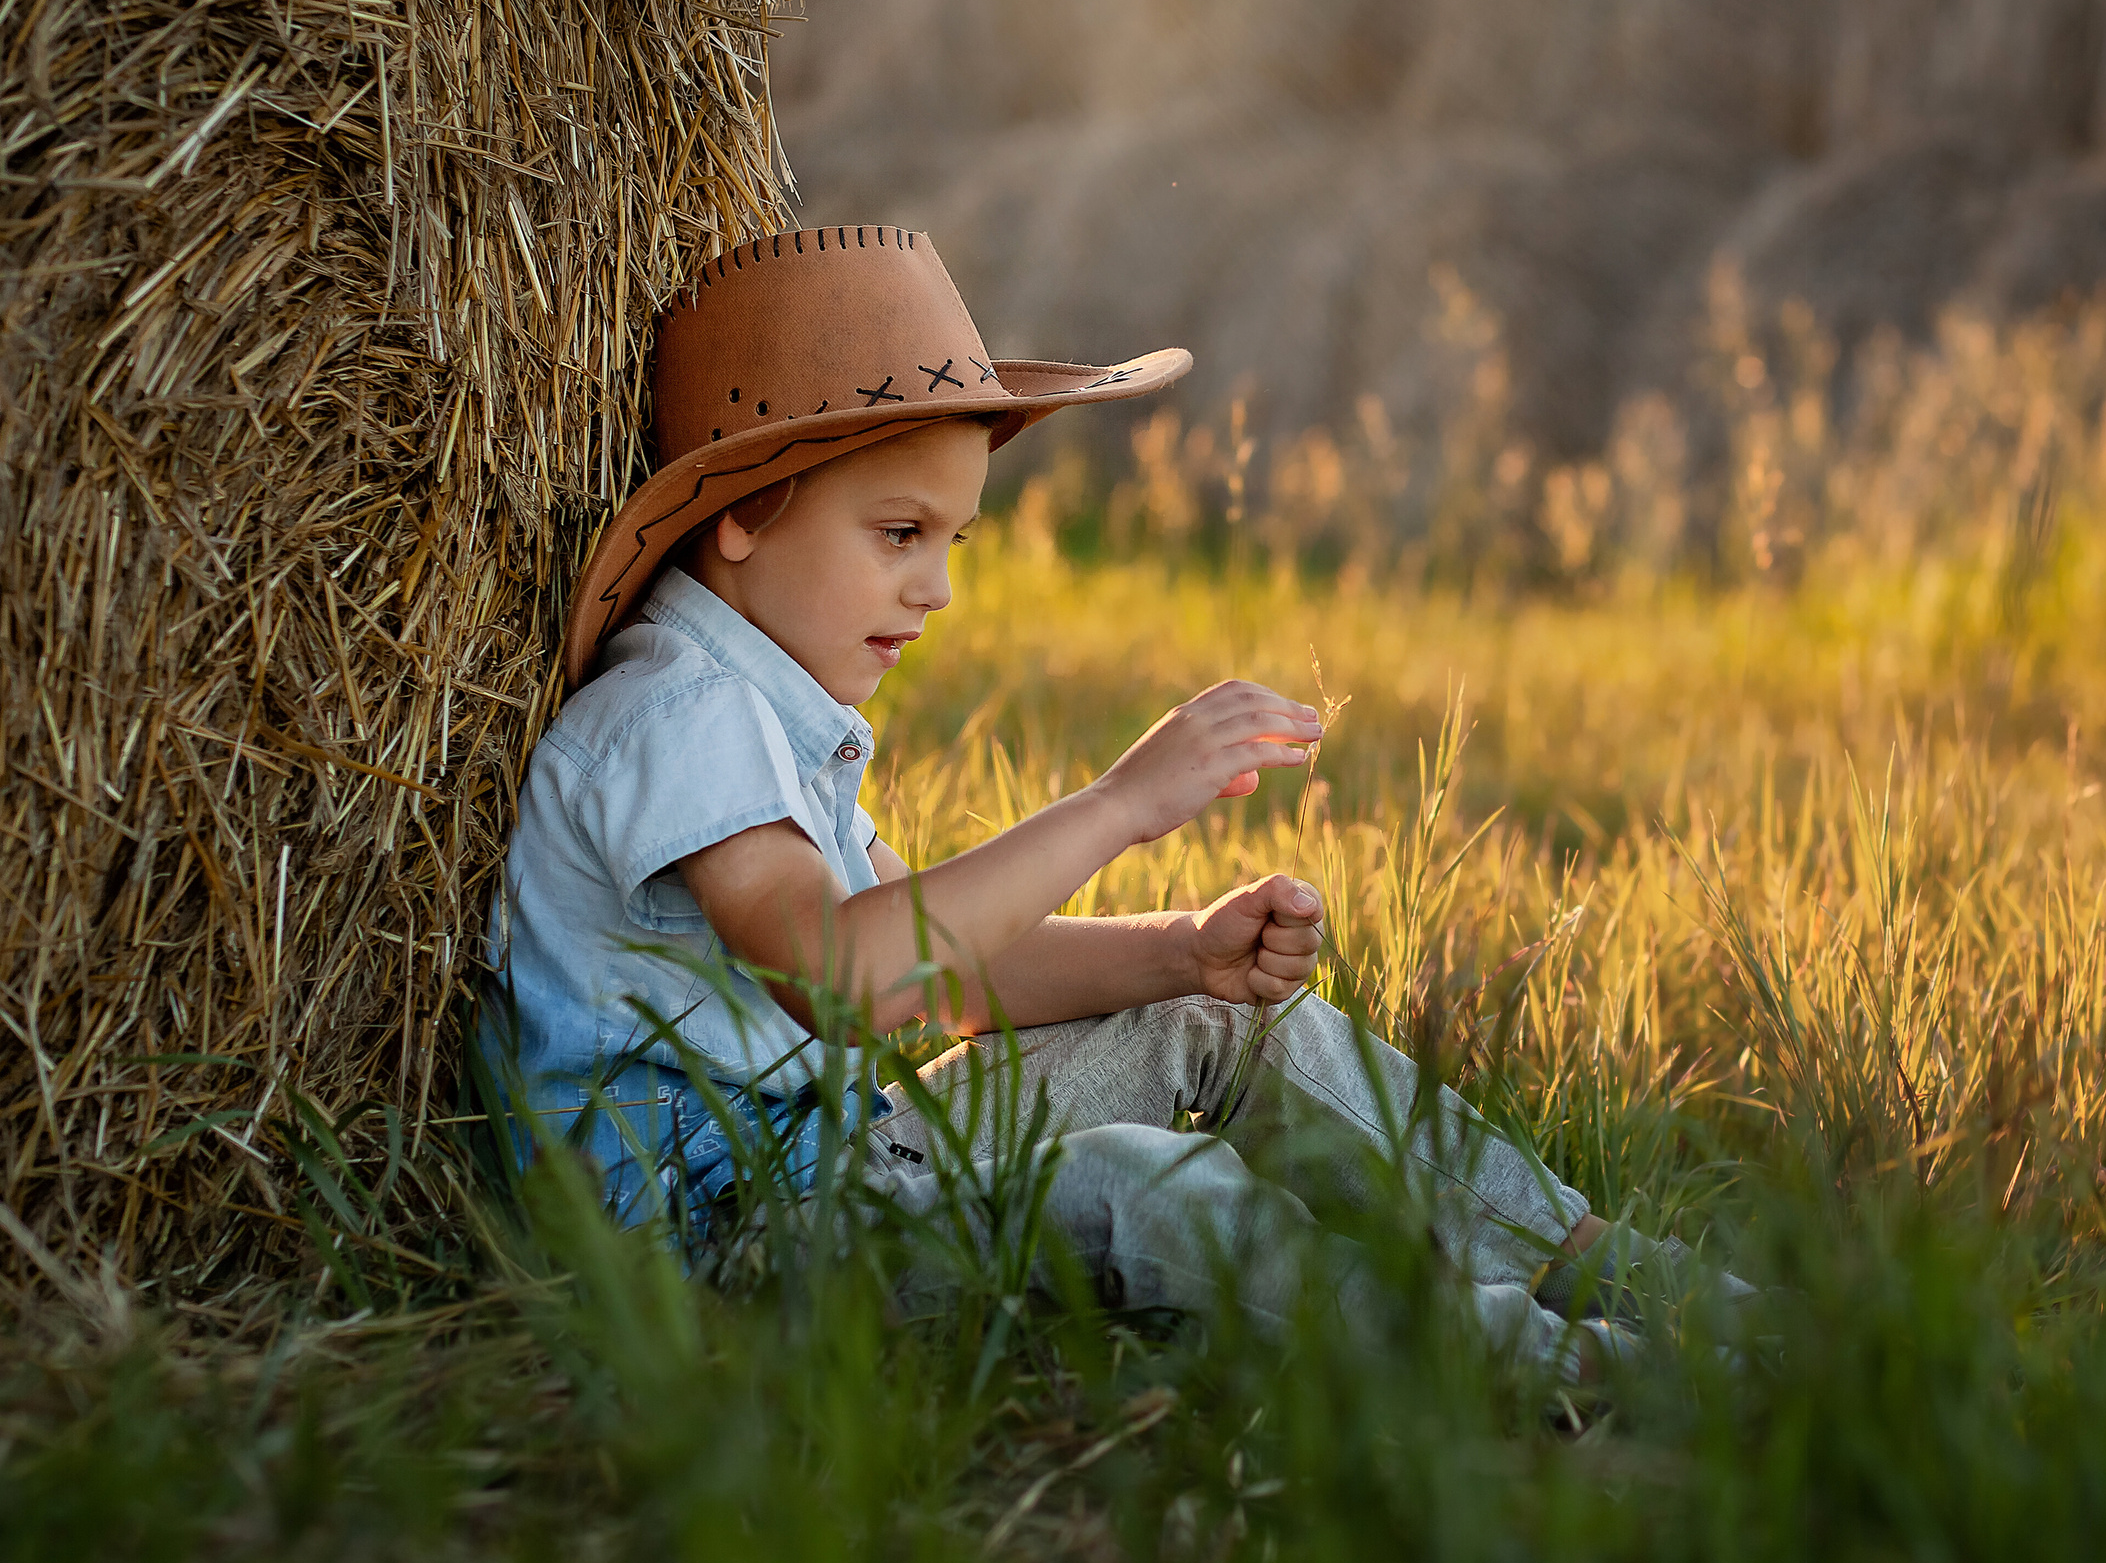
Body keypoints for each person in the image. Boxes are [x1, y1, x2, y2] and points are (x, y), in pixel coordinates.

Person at [484, 226, 1701, 1385]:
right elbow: (855, 981)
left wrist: (1179, 950)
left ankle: (1629, 1281)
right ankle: (1569, 1369)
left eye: (954, 538)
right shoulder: (676, 714)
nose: (938, 586)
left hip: (832, 1165)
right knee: (1139, 1182)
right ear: (744, 512)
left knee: (1219, 1020)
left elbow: (952, 979)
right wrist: (1118, 802)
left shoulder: (757, 709)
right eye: (900, 533)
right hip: (721, 1254)